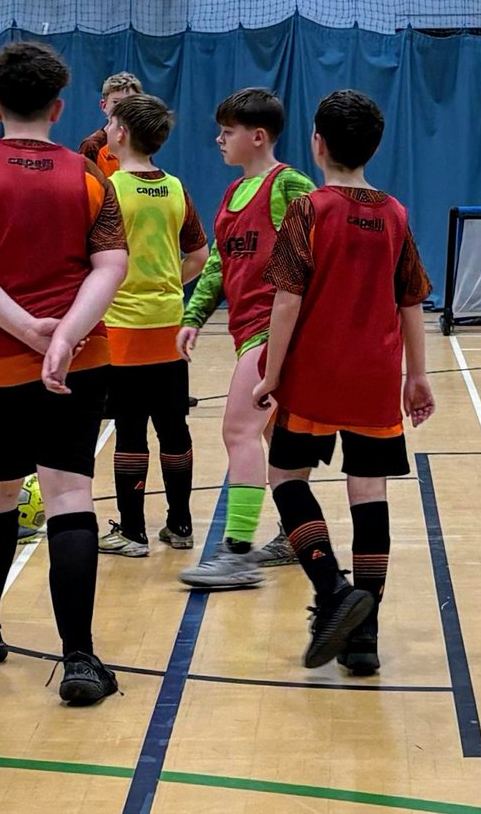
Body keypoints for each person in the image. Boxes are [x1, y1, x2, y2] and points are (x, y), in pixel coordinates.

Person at [0, 41, 129, 706]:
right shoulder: (89, 174)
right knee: (70, 497)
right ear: (59, 107)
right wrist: (64, 335)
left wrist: (25, 330)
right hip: (81, 362)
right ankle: (80, 659)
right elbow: (111, 267)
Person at [253, 90, 434, 673]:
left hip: (314, 372)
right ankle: (365, 638)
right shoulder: (396, 213)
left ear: (317, 143)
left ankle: (332, 590)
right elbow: (411, 301)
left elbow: (286, 300)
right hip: (376, 375)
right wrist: (418, 376)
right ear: (374, 147)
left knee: (285, 477)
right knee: (369, 493)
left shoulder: (311, 208)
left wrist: (272, 373)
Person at [175, 88, 315, 588]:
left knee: (237, 431)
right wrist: (194, 315)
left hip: (275, 333)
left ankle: (236, 552)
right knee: (276, 442)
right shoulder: (234, 194)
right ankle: (294, 535)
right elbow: (218, 264)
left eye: (227, 131)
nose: (218, 139)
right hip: (246, 332)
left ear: (258, 137)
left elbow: (322, 251)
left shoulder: (288, 185)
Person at [97, 94, 209, 557]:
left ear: (121, 133)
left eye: (109, 123)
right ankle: (180, 526)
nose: (105, 130)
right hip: (168, 325)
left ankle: (131, 531)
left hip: (122, 328)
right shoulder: (176, 187)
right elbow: (199, 256)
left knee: (129, 430)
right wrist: (167, 285)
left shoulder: (108, 189)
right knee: (173, 427)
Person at [78, 71, 142, 177]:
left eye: (129, 102)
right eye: (116, 102)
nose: (123, 108)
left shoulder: (140, 143)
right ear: (104, 106)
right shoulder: (92, 146)